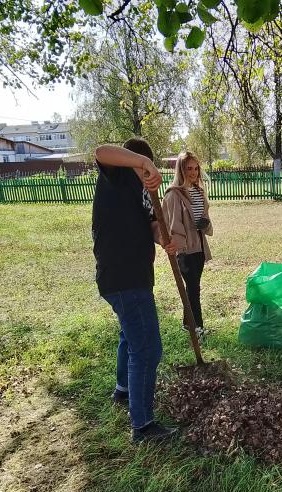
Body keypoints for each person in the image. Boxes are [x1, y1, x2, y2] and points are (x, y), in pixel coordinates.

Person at [92, 138, 179, 444]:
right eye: (143, 165)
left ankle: (123, 390)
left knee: (130, 336)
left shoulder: (145, 191)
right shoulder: (116, 174)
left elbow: (154, 225)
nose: (147, 172)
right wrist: (141, 162)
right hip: (123, 275)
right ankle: (142, 426)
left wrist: (163, 239)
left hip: (135, 275)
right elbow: (101, 151)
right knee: (147, 349)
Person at [163, 151, 213, 338]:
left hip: (199, 246)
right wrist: (180, 250)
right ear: (180, 170)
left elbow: (205, 218)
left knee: (193, 287)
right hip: (184, 250)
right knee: (193, 289)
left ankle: (187, 324)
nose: (193, 172)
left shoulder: (199, 191)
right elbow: (172, 224)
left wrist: (205, 224)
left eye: (195, 168)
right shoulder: (174, 194)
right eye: (188, 168)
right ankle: (197, 327)